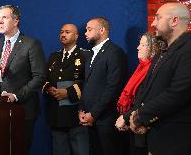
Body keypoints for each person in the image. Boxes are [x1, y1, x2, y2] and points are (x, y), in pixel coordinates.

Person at [129, 3, 191, 155]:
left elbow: (177, 94)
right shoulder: (162, 52)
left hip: (176, 140)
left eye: (158, 18)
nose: (153, 23)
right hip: (156, 135)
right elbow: (148, 90)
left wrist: (141, 115)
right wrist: (135, 115)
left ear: (174, 21)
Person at [0, 5, 46, 154]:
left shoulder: (31, 44)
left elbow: (39, 77)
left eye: (4, 18)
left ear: (16, 21)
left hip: (23, 110)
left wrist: (16, 96)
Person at [79, 17, 127, 155]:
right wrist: (82, 110)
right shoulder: (90, 54)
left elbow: (113, 88)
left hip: (106, 120)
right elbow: (86, 85)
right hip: (90, 119)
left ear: (102, 30)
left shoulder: (115, 53)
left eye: (89, 29)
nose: (85, 33)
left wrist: (93, 114)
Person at [42, 24, 90, 155]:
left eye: (67, 32)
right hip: (56, 115)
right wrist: (49, 89)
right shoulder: (53, 57)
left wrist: (68, 92)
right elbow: (43, 80)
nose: (63, 34)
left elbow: (90, 83)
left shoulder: (85, 55)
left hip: (76, 114)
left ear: (76, 36)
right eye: (61, 32)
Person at [115, 32, 163, 155]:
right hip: (134, 123)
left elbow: (145, 100)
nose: (138, 47)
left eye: (142, 45)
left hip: (146, 127)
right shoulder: (140, 68)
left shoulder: (153, 70)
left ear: (153, 48)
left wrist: (125, 118)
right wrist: (127, 119)